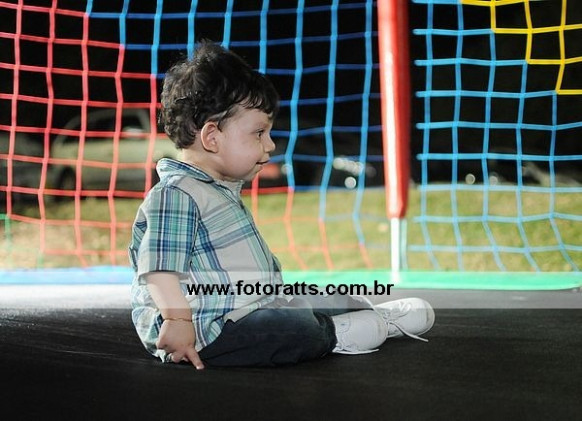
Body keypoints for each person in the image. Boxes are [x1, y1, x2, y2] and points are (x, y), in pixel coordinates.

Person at [129, 40, 434, 369]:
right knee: (291, 327)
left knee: (321, 297)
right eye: (259, 133)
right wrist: (177, 320)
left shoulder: (218, 189)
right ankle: (333, 334)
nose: (271, 145)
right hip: (208, 328)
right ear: (212, 137)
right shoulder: (176, 194)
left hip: (253, 306)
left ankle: (372, 316)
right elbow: (159, 269)